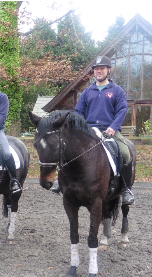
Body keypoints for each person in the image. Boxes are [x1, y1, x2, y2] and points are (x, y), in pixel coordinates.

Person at [51, 56, 134, 205]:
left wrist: (113, 128)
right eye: (96, 69)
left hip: (109, 131)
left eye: (102, 68)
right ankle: (61, 181)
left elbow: (121, 111)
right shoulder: (87, 92)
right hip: (89, 130)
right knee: (66, 149)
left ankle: (126, 189)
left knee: (125, 153)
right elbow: (78, 112)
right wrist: (81, 127)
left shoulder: (117, 91)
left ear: (109, 70)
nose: (99, 71)